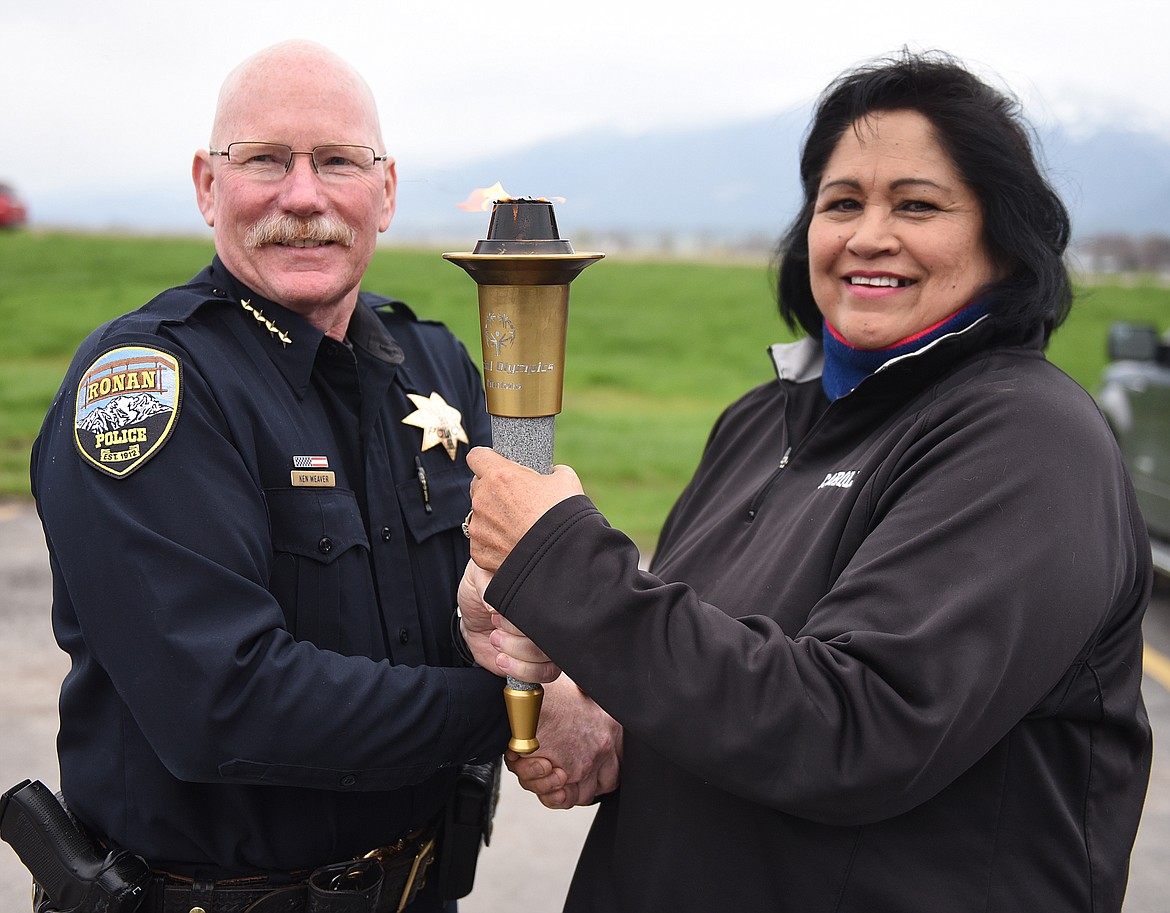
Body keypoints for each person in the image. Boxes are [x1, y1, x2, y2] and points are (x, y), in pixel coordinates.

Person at [457, 51, 1153, 912]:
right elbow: (722, 678)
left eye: (918, 204)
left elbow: (855, 730)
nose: (868, 235)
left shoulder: (1028, 442)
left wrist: (562, 560)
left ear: (1004, 239)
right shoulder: (761, 421)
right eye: (842, 202)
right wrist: (604, 714)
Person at [29, 40, 508, 913]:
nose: (304, 195)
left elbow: (503, 594)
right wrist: (517, 713)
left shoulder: (435, 364)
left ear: (387, 191)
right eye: (263, 161)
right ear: (208, 186)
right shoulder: (149, 385)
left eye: (337, 161)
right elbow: (224, 701)